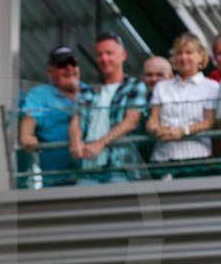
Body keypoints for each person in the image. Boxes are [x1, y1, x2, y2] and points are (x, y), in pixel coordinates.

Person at [69, 32, 147, 184]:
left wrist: (99, 144)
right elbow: (75, 122)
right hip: (88, 168)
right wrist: (75, 142)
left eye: (109, 53)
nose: (104, 58)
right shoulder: (87, 92)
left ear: (123, 55)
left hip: (120, 167)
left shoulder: (135, 86)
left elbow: (131, 122)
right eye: (100, 54)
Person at [146, 33, 220, 165]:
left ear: (201, 56)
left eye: (188, 52)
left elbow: (209, 122)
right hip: (162, 157)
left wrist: (183, 130)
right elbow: (152, 119)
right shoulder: (161, 86)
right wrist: (157, 130)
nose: (183, 57)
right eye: (179, 53)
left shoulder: (211, 87)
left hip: (197, 156)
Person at [19, 47, 88, 187]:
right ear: (50, 72)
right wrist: (26, 135)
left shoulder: (91, 92)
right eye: (62, 64)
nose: (69, 68)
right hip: (55, 180)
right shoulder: (39, 94)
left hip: (91, 176)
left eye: (73, 63)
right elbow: (30, 116)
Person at [135, 56, 173, 162]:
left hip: (164, 159)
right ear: (142, 77)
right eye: (149, 75)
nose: (154, 79)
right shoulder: (134, 99)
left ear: (171, 77)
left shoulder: (176, 101)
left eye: (160, 75)